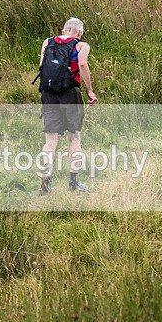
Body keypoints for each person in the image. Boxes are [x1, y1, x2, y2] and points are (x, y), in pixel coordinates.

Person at [36, 17, 98, 194]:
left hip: (48, 93)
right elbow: (83, 64)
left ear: (63, 31)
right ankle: (73, 183)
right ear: (79, 33)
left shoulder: (47, 42)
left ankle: (45, 185)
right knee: (74, 137)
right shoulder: (81, 45)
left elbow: (42, 66)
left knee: (50, 142)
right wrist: (90, 91)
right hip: (69, 93)